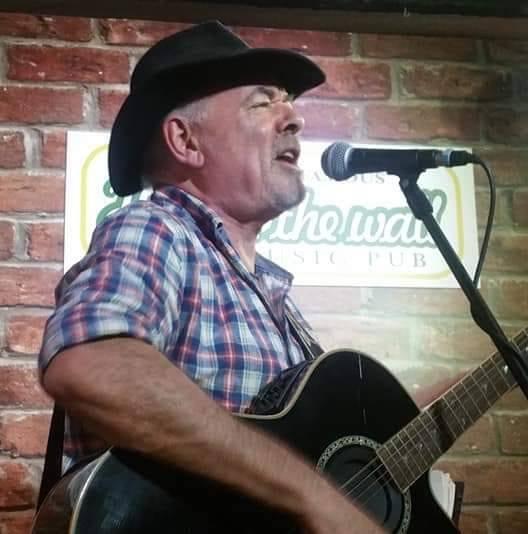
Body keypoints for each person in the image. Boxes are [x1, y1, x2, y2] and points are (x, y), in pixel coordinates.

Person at [39, 21, 447, 533]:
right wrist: (313, 497)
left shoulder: (270, 296)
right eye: (262, 103)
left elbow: (321, 458)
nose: (294, 118)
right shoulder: (157, 228)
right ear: (185, 140)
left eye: (288, 102)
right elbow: (90, 365)